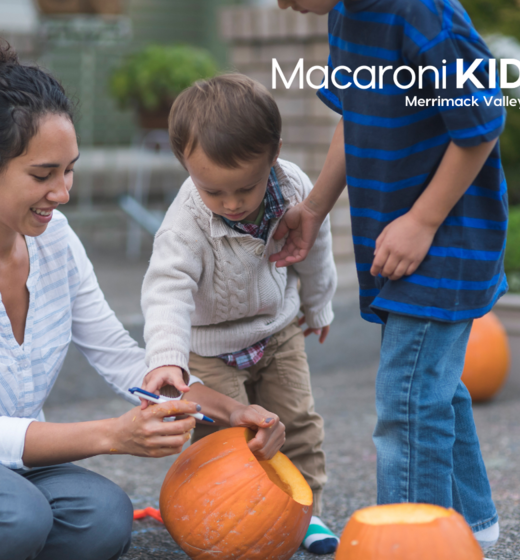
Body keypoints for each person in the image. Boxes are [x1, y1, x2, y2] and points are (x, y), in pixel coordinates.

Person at [0, 22, 285, 560]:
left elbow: (120, 357)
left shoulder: (54, 241)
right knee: (13, 515)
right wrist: (115, 436)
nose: (63, 193)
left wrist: (231, 412)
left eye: (69, 171)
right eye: (44, 174)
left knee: (103, 517)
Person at [273, 0, 507, 552]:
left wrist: (423, 221)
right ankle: (471, 527)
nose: (280, 3)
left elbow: (482, 120)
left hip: (447, 242)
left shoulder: (424, 15)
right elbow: (352, 119)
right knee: (430, 389)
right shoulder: (346, 12)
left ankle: (410, 543)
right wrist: (313, 209)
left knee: (408, 400)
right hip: (399, 242)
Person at [139, 74, 340, 554]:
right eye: (213, 191)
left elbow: (314, 246)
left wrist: (318, 303)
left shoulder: (294, 188)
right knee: (230, 439)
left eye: (244, 189)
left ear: (274, 154)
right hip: (208, 345)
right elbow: (167, 289)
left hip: (277, 329)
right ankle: (223, 515)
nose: (230, 203)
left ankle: (303, 512)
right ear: (186, 167)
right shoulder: (184, 223)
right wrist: (166, 357)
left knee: (297, 422)